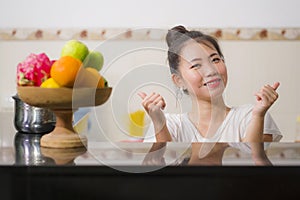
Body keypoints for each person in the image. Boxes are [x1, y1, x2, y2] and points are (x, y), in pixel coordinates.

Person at [138, 25, 282, 144]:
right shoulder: (169, 125)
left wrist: (258, 116)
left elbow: (253, 168)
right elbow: (161, 170)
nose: (210, 70)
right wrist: (158, 123)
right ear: (178, 80)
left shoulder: (251, 116)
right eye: (196, 65)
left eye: (215, 60)